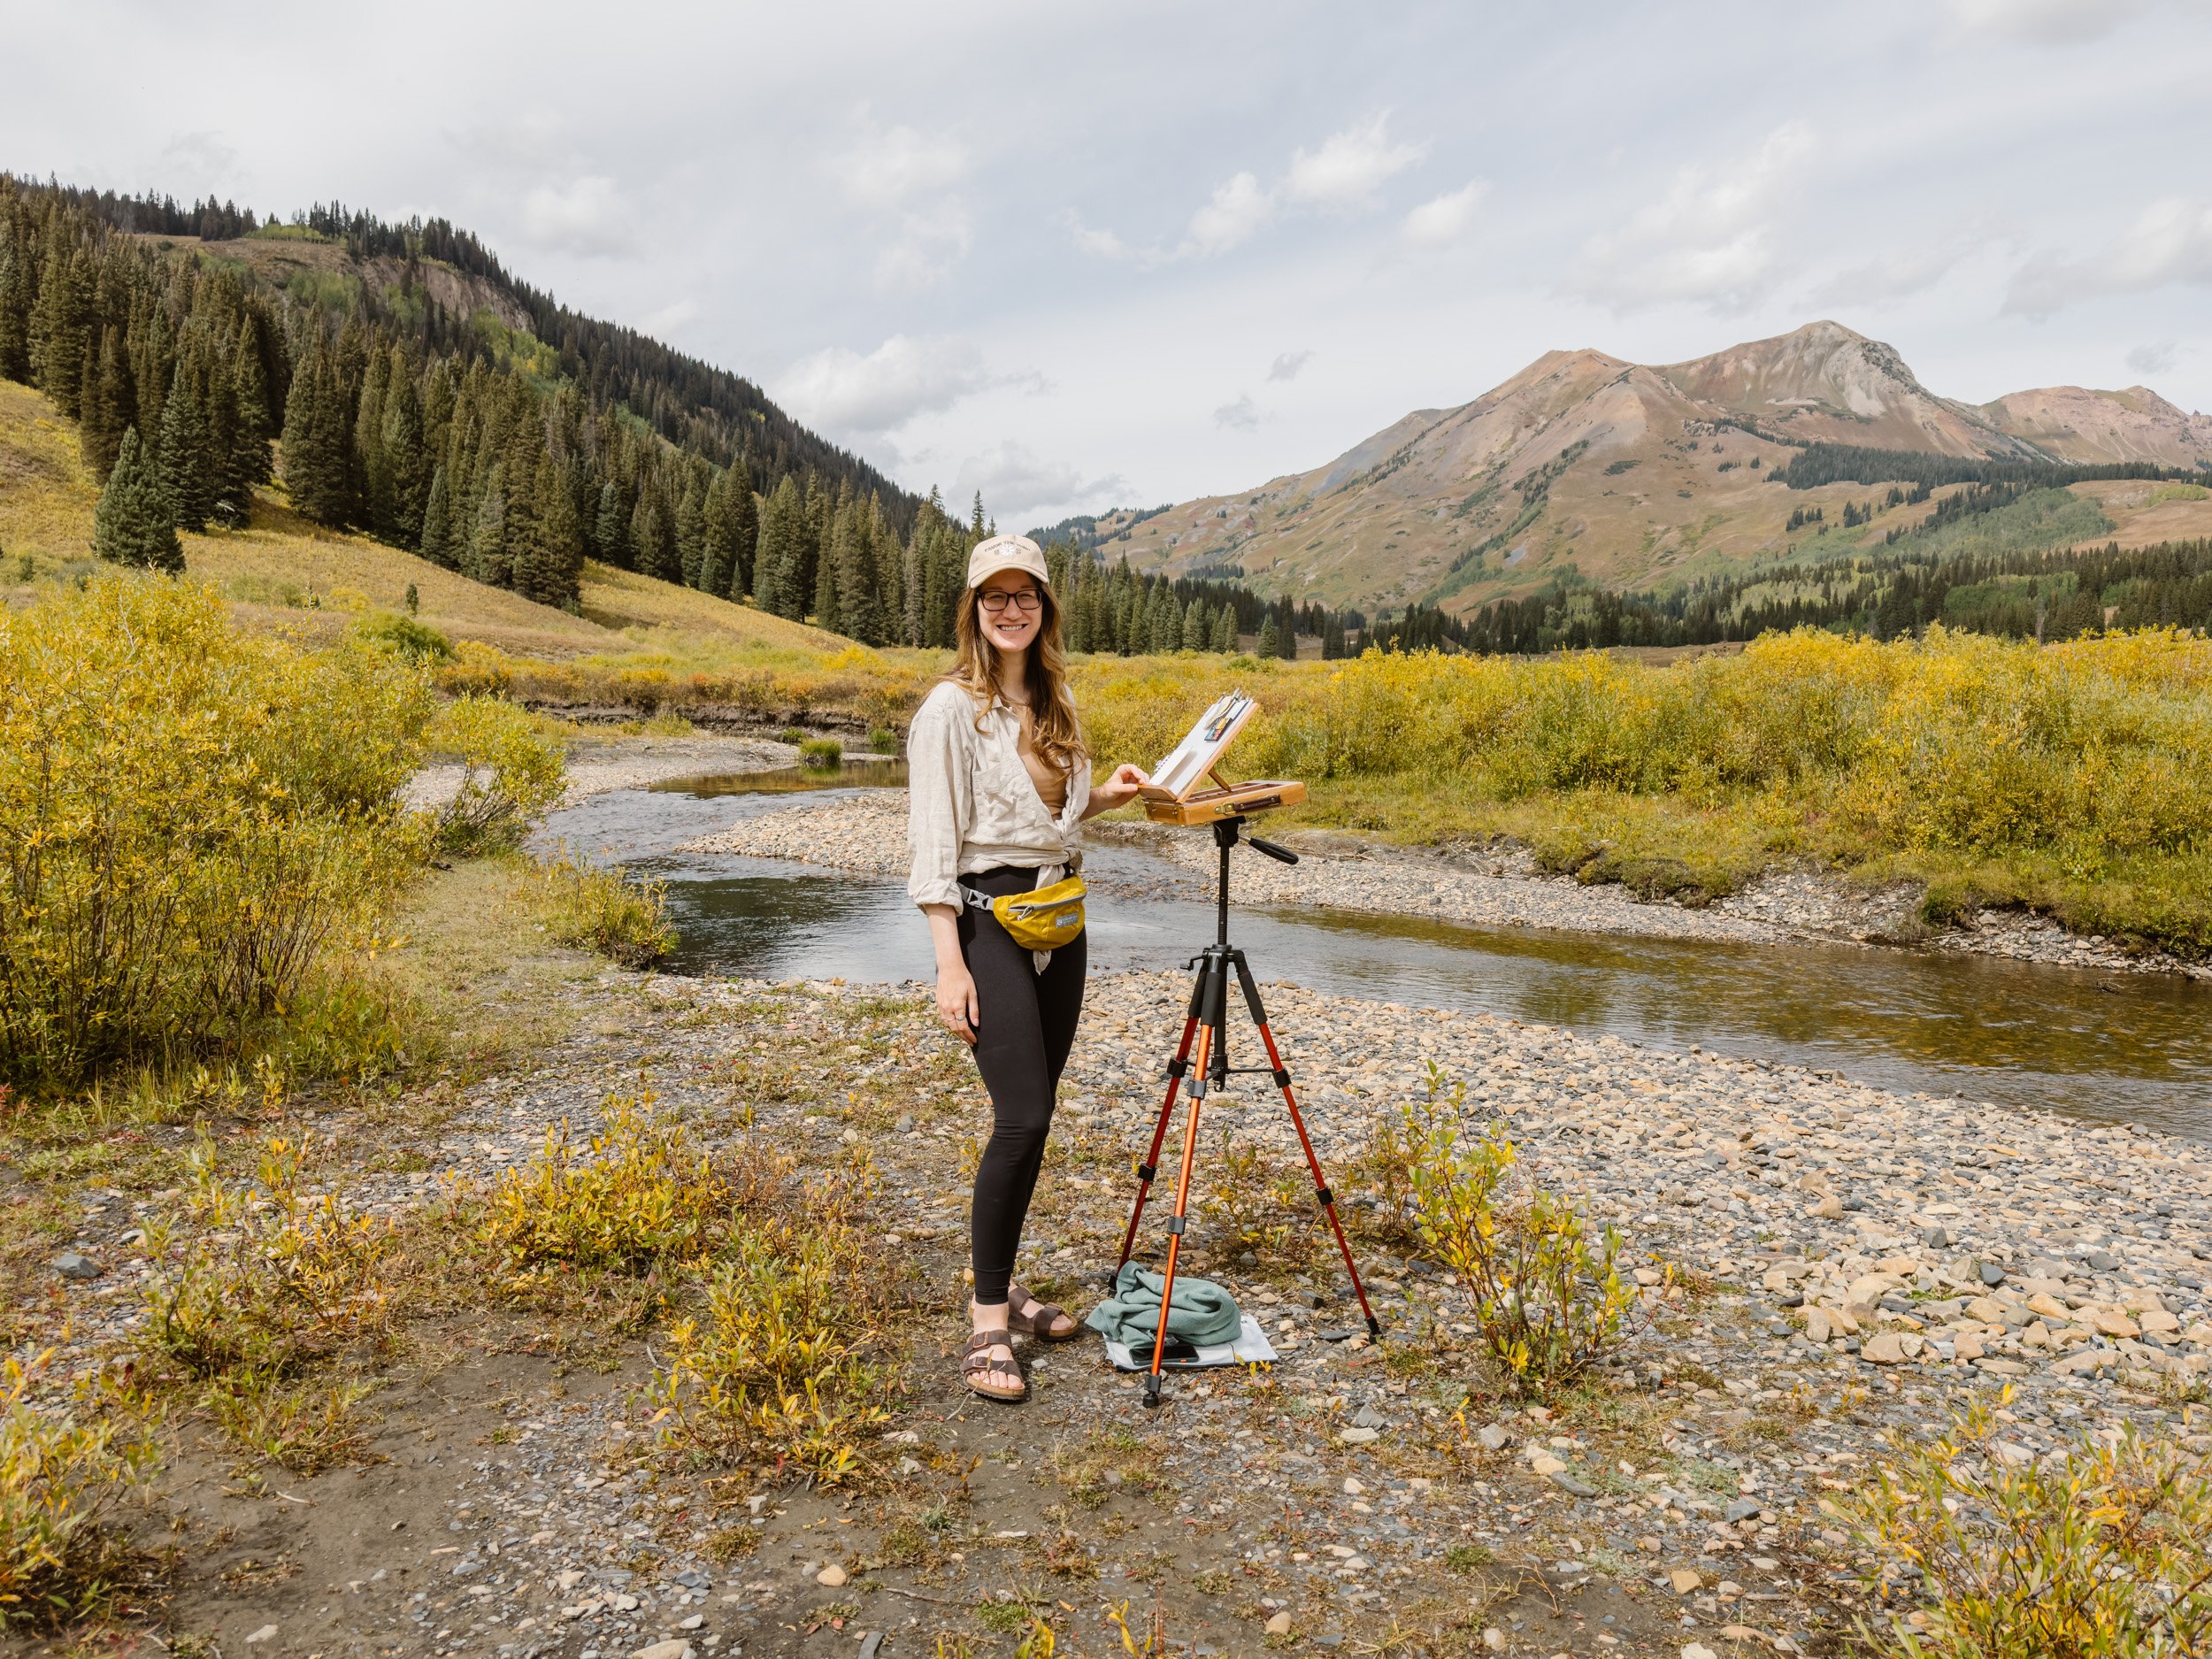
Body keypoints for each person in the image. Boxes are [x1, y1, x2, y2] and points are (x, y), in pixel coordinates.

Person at [906, 533, 1151, 1402]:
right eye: (994, 597)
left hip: (1061, 917)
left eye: (1026, 596)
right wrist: (949, 964)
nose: (1010, 609)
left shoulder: (1055, 698)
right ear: (973, 610)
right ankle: (986, 1325)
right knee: (1022, 1113)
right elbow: (936, 847)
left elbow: (1054, 812)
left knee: (1035, 1121)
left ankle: (1002, 1276)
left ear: (1045, 608)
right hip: (986, 923)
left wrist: (1108, 794)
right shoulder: (946, 710)